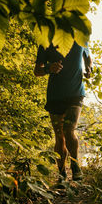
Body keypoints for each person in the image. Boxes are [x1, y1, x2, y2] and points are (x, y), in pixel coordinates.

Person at [34, 42, 92, 181]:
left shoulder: (80, 37)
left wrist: (89, 68)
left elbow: (88, 56)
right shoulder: (46, 41)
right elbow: (37, 71)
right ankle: (61, 173)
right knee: (59, 135)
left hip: (75, 93)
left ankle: (75, 165)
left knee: (68, 130)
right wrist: (49, 68)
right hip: (55, 95)